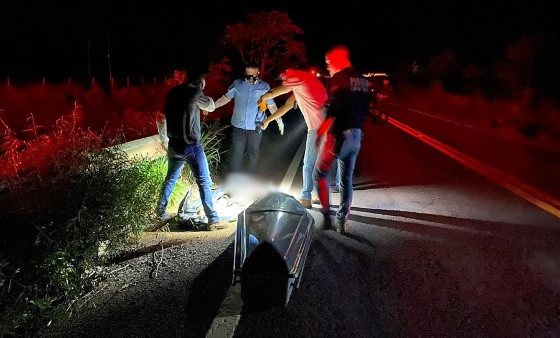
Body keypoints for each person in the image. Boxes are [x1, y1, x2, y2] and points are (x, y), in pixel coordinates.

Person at [156, 71, 230, 231]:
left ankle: (159, 212)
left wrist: (164, 139)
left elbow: (161, 118)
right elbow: (210, 106)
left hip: (174, 145)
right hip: (191, 146)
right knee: (204, 181)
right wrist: (204, 100)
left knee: (170, 178)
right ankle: (213, 220)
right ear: (201, 84)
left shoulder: (173, 92)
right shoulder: (196, 92)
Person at [313, 45, 371, 234]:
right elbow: (366, 108)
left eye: (329, 63)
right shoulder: (363, 80)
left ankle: (326, 217)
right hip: (357, 136)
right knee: (346, 179)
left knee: (319, 174)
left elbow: (333, 111)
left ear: (338, 61)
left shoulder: (339, 79)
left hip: (339, 136)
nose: (328, 67)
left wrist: (321, 133)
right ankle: (342, 221)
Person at [257, 63, 328, 209]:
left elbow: (274, 92)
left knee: (308, 164)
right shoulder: (306, 85)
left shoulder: (300, 79)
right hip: (330, 125)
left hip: (318, 128)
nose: (286, 78)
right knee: (322, 164)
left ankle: (306, 198)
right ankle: (321, 196)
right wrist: (267, 121)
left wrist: (262, 98)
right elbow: (286, 107)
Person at [214, 63, 284, 174]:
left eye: (253, 74)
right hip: (238, 126)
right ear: (245, 73)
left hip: (256, 126)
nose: (250, 77)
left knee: (253, 152)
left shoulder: (264, 87)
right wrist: (212, 106)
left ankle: (251, 176)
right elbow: (226, 98)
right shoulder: (237, 84)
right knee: (237, 152)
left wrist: (279, 121)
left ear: (258, 73)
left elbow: (271, 106)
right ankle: (233, 178)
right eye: (248, 74)